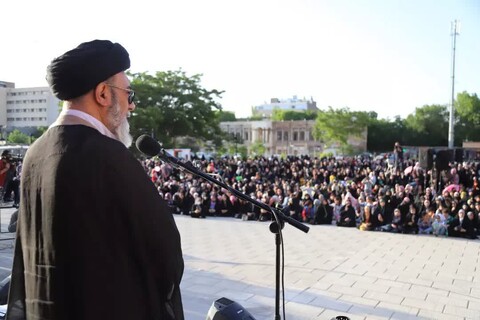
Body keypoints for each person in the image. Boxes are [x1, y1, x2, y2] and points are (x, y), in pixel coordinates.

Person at [7, 40, 184, 320]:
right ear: (103, 93)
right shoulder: (107, 155)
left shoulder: (35, 153)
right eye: (129, 93)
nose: (132, 105)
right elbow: (164, 250)